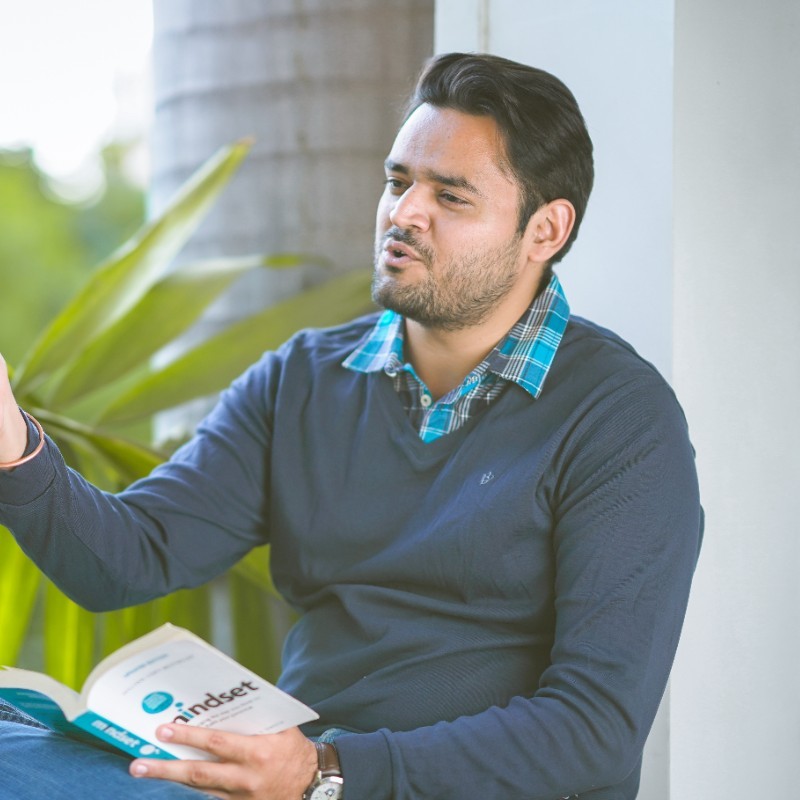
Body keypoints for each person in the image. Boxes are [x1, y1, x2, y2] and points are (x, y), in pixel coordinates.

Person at [0, 52, 702, 800]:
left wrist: (326, 772)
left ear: (545, 230)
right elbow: (127, 560)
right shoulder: (302, 380)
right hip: (285, 777)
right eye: (398, 181)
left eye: (451, 196)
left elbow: (592, 730)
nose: (403, 213)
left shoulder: (620, 418)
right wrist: (12, 443)